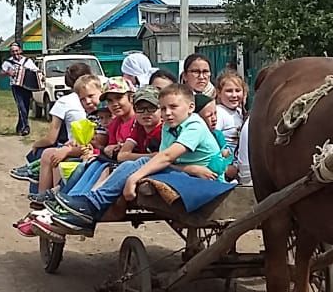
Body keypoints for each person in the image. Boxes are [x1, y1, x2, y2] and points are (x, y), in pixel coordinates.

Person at [48, 83, 223, 235]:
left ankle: (91, 204)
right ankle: (83, 202)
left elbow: (167, 157)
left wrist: (133, 178)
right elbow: (165, 161)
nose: (167, 113)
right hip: (189, 176)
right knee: (125, 163)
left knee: (139, 163)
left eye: (173, 107)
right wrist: (188, 169)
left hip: (208, 182)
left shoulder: (194, 126)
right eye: (163, 108)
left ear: (191, 107)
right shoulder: (169, 127)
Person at [10, 63, 93, 183]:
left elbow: (50, 139)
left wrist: (36, 144)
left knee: (43, 153)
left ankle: (38, 183)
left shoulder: (64, 101)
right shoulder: (94, 99)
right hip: (82, 146)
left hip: (75, 147)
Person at [115, 85, 163, 161]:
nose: (146, 113)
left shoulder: (165, 130)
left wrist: (132, 156)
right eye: (140, 108)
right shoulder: (138, 126)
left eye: (151, 108)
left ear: (161, 109)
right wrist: (151, 156)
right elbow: (122, 156)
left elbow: (162, 158)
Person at [1, 43, 37, 136]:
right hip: (16, 86)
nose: (15, 53)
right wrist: (8, 72)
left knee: (26, 107)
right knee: (21, 107)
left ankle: (19, 126)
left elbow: (35, 71)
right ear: (11, 53)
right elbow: (1, 73)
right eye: (13, 51)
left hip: (27, 86)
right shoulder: (8, 62)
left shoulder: (28, 61)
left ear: (20, 50)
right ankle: (26, 127)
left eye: (16, 51)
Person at [98, 78, 137, 161]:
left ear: (131, 98)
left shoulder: (139, 120)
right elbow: (111, 147)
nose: (114, 104)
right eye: (110, 101)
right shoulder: (114, 123)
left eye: (119, 98)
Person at [214, 70, 247, 153]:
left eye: (238, 90)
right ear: (219, 92)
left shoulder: (239, 112)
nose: (234, 95)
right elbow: (213, 137)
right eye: (229, 91)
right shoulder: (219, 112)